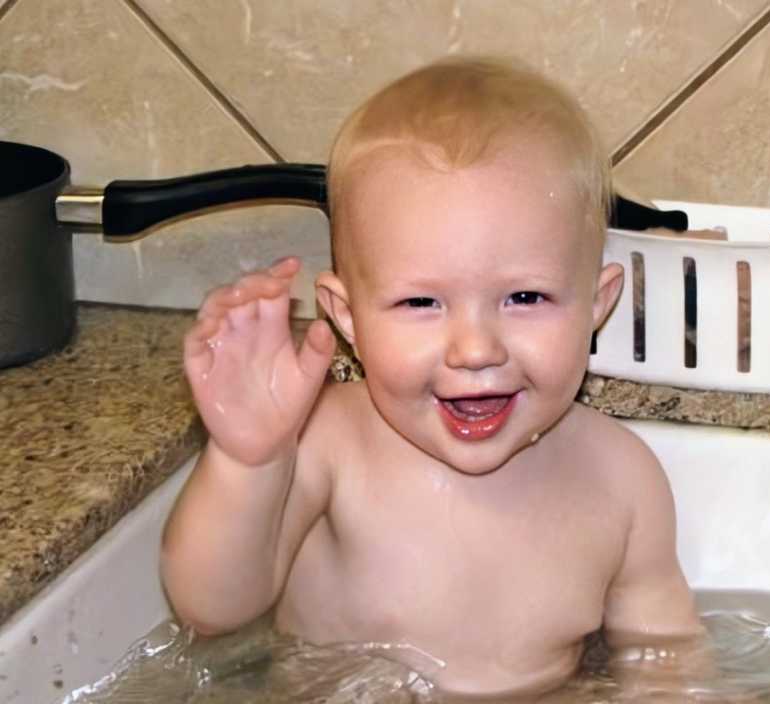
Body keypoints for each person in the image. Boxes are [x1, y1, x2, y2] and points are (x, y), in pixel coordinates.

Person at [161, 56, 703, 699]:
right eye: (421, 303)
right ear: (347, 317)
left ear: (597, 302)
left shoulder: (623, 479)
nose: (475, 349)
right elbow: (212, 607)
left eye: (524, 298)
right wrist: (248, 461)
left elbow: (663, 656)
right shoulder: (327, 446)